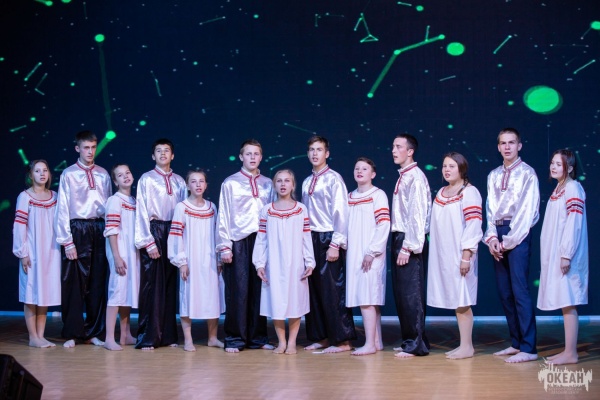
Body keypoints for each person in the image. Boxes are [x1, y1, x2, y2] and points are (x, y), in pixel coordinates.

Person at [484, 127, 539, 363]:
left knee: (520, 291)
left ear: (519, 146)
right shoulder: (493, 175)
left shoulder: (527, 173)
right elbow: (489, 210)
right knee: (505, 292)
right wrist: (492, 238)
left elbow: (527, 212)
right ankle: (516, 342)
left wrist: (508, 241)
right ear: (498, 147)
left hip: (517, 233)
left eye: (512, 142)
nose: (507, 147)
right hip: (498, 234)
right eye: (503, 143)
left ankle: (529, 347)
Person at [217, 139, 275, 352]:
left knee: (259, 290)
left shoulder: (268, 183)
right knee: (238, 291)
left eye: (256, 154)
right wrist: (224, 246)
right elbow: (224, 215)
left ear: (261, 157)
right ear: (241, 156)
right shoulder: (230, 182)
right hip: (238, 241)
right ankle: (235, 338)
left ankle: (258, 337)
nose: (252, 157)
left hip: (261, 240)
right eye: (248, 153)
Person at [55, 131, 112, 348]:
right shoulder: (69, 174)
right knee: (74, 283)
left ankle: (93, 331)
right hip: (77, 228)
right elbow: (62, 208)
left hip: (98, 228)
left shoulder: (103, 174)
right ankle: (73, 332)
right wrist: (67, 241)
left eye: (93, 147)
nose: (90, 152)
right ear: (77, 148)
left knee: (97, 282)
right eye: (86, 147)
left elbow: (109, 206)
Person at [302, 135, 356, 353]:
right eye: (312, 150)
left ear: (327, 153)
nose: (315, 153)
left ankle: (343, 339)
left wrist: (336, 243)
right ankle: (321, 336)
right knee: (314, 290)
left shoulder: (334, 179)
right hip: (311, 237)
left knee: (333, 290)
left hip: (328, 237)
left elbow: (341, 212)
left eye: (319, 149)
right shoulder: (307, 181)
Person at [427, 152, 483, 360]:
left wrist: (466, 256)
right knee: (455, 298)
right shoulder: (441, 193)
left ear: (461, 169)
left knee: (462, 299)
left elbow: (473, 225)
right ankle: (462, 345)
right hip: (444, 254)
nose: (447, 170)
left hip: (460, 255)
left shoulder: (469, 192)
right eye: (444, 166)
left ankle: (467, 346)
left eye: (452, 166)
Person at [253, 169, 315, 355]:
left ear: (293, 185)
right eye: (279, 181)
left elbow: (306, 237)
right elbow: (261, 239)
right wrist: (259, 263)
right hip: (274, 263)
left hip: (295, 263)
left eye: (287, 181)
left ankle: (292, 342)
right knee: (277, 302)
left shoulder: (301, 209)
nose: (283, 184)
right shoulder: (267, 210)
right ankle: (281, 342)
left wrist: (309, 262)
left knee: (295, 302)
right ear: (274, 185)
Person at [135, 138, 186, 350]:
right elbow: (141, 210)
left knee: (170, 285)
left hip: (173, 231)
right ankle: (148, 336)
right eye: (158, 150)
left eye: (166, 150)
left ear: (172, 155)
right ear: (153, 155)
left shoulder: (180, 181)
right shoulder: (146, 179)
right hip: (154, 230)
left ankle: (167, 335)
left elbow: (184, 211)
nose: (163, 154)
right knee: (152, 285)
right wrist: (148, 241)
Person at [537, 149, 588, 365]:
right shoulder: (559, 188)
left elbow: (574, 223)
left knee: (569, 300)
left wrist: (566, 254)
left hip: (568, 254)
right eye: (552, 163)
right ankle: (567, 350)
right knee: (565, 301)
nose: (554, 167)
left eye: (559, 164)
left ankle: (571, 353)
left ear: (570, 167)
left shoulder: (573, 188)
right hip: (556, 253)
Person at [168, 170, 225, 352]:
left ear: (206, 185)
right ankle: (188, 339)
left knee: (212, 298)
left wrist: (218, 259)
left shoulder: (212, 207)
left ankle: (212, 338)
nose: (198, 185)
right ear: (187, 185)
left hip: (209, 261)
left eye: (201, 181)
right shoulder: (182, 207)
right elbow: (176, 236)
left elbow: (217, 235)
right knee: (188, 298)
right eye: (194, 181)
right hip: (191, 259)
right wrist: (182, 261)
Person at [390, 133, 431, 358]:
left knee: (411, 293)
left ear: (410, 151)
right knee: (402, 294)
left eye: (399, 147)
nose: (394, 151)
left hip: (410, 239)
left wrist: (408, 246)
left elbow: (417, 213)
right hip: (400, 236)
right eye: (393, 147)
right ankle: (410, 340)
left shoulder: (415, 176)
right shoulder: (404, 175)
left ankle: (416, 344)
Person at [13, 160, 61, 348]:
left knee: (44, 293)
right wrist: (23, 253)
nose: (42, 174)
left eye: (45, 170)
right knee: (31, 294)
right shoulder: (25, 197)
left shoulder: (55, 197)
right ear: (30, 175)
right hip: (33, 251)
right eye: (37, 171)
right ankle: (33, 336)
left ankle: (41, 335)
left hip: (51, 251)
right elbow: (19, 227)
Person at [346, 158, 390, 356]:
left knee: (368, 297)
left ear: (373, 174)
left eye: (365, 169)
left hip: (371, 254)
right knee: (367, 297)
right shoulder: (350, 196)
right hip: (355, 253)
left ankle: (369, 344)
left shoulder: (378, 195)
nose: (360, 171)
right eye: (357, 168)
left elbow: (383, 224)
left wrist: (372, 251)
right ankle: (377, 341)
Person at [103, 164, 140, 351]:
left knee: (127, 293)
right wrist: (116, 256)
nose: (125, 177)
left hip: (132, 252)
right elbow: (111, 230)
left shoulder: (134, 200)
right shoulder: (114, 200)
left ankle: (125, 334)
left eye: (128, 173)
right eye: (120, 175)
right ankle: (109, 338)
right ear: (115, 181)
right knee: (117, 293)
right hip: (120, 251)